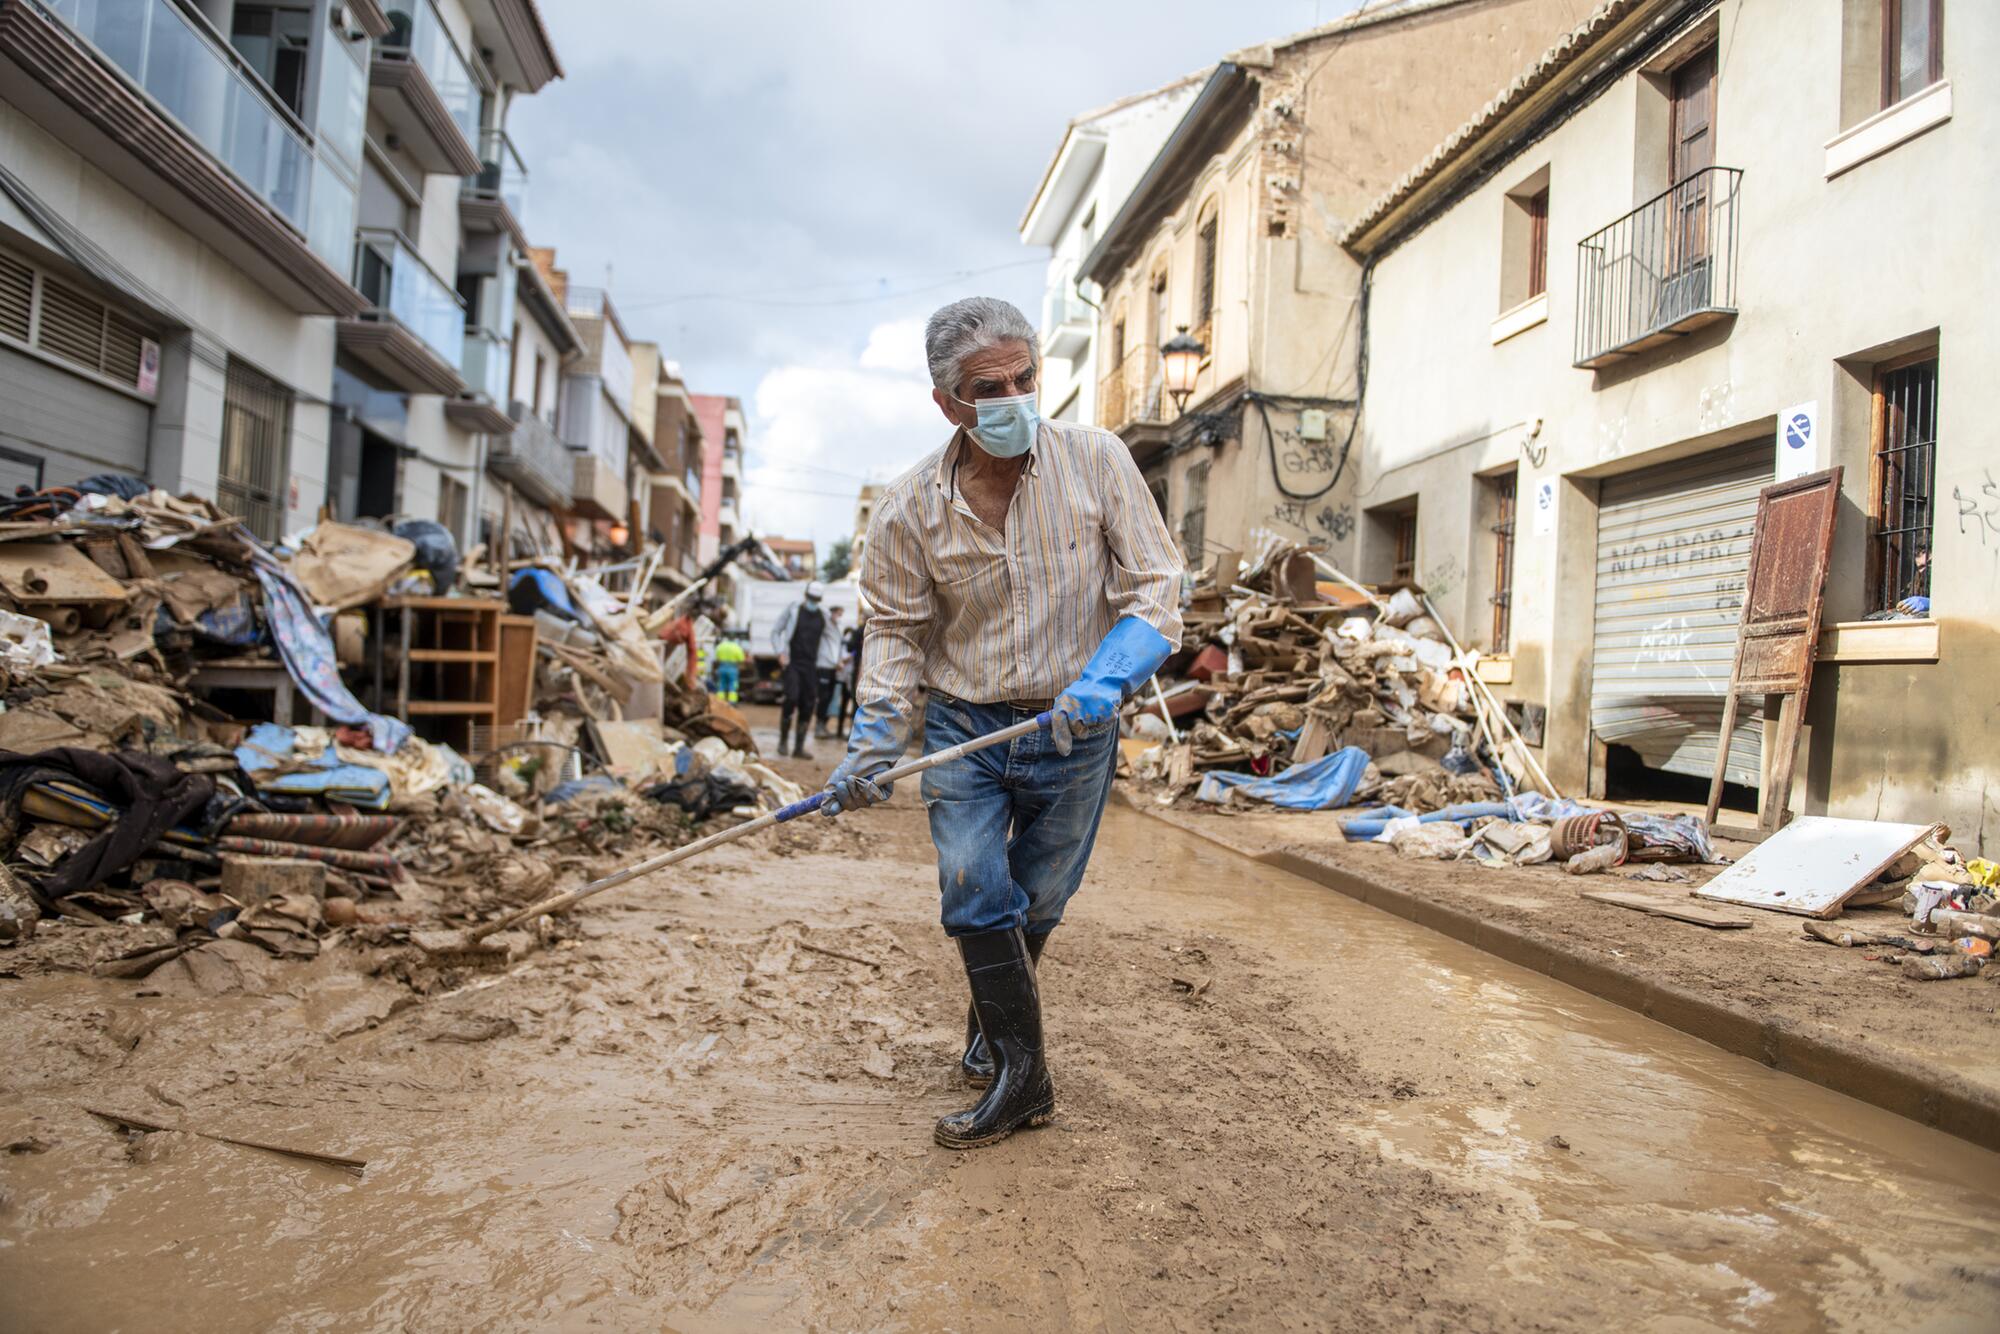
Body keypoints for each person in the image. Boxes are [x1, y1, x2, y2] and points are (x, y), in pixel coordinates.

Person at [822, 297, 1183, 1149]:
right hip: (964, 727)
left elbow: (1157, 589)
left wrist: (1110, 673)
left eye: (1026, 377)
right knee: (976, 888)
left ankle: (996, 1033)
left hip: (1074, 728)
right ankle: (1027, 1080)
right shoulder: (909, 509)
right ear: (948, 402)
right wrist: (874, 744)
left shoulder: (1097, 462)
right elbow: (898, 631)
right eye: (992, 387)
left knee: (1040, 899)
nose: (1016, 397)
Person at [772, 580, 839, 758]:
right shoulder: (794, 609)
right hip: (793, 663)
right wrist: (780, 652)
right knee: (791, 698)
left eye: (816, 599)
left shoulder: (823, 615)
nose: (813, 601)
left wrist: (834, 659)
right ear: (805, 596)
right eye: (811, 598)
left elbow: (833, 638)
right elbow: (776, 631)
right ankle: (783, 742)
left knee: (808, 704)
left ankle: (799, 747)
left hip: (812, 666)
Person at [814, 604, 848, 738]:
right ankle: (818, 726)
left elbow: (836, 648)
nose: (839, 617)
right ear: (832, 613)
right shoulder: (825, 627)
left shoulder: (837, 629)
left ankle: (823, 724)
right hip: (824, 666)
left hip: (833, 668)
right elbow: (827, 650)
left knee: (828, 698)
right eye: (838, 613)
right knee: (823, 698)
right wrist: (836, 661)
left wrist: (839, 661)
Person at [835, 616, 864, 737]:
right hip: (849, 676)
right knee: (850, 703)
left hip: (855, 675)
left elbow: (850, 649)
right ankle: (842, 731)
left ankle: (851, 732)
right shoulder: (857, 634)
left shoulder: (858, 632)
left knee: (853, 703)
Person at [712, 634, 746, 703]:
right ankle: (732, 702)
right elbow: (741, 659)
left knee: (721, 684)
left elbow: (716, 657)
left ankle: (720, 702)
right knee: (733, 685)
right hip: (732, 668)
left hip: (722, 667)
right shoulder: (736, 647)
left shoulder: (721, 646)